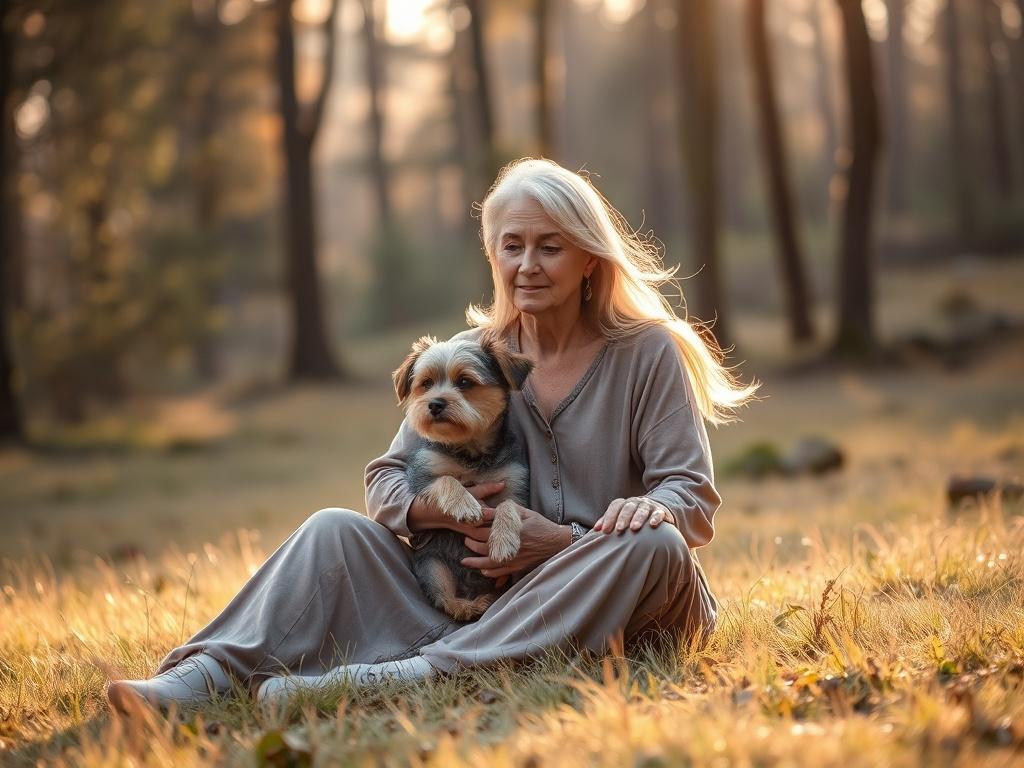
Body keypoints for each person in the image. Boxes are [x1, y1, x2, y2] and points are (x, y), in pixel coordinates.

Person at [105, 157, 760, 714]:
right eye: (512, 245)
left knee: (654, 543)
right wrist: (441, 504)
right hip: (484, 606)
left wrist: (565, 541)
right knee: (333, 528)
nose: (527, 264)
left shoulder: (647, 353)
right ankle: (201, 678)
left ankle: (415, 674)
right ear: (494, 255)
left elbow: (691, 501)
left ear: (590, 259)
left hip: (617, 605)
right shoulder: (471, 357)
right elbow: (385, 479)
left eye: (549, 247)